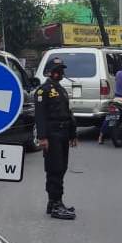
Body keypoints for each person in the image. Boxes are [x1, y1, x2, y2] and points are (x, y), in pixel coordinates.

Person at [35, 56, 77, 220]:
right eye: (56, 70)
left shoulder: (61, 89)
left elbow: (68, 113)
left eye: (61, 70)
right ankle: (55, 203)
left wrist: (73, 134)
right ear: (49, 71)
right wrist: (42, 137)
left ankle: (55, 202)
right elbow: (40, 116)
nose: (59, 73)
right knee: (54, 169)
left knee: (62, 167)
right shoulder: (43, 90)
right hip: (51, 135)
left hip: (63, 134)